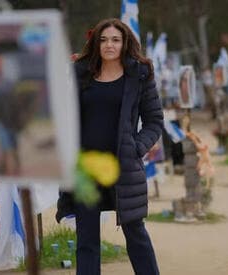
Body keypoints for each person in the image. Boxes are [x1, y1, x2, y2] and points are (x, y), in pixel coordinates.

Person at [56, 18, 163, 275]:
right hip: (86, 169)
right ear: (96, 43)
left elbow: (154, 121)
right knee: (87, 239)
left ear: (125, 42)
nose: (109, 45)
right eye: (103, 40)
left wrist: (136, 147)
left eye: (115, 39)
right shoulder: (80, 73)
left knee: (135, 233)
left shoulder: (139, 76)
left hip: (123, 166)